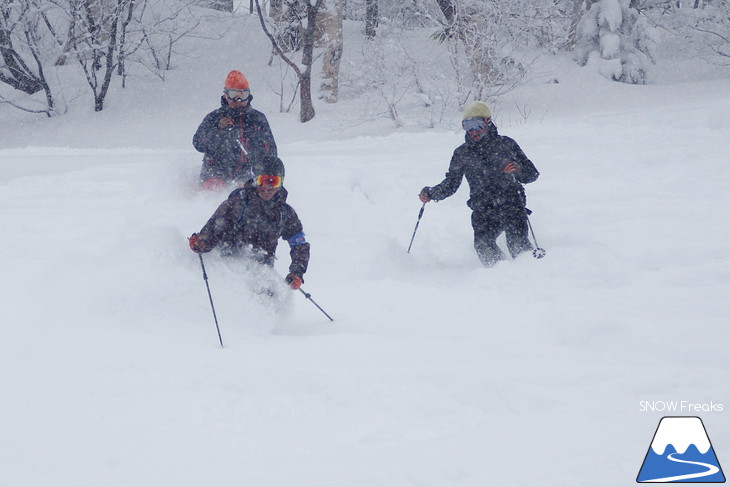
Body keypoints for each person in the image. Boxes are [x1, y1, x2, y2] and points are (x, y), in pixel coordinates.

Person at [418, 101, 540, 267]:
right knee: (483, 246)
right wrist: (431, 193)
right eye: (467, 125)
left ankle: (532, 273)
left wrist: (518, 169)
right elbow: (452, 183)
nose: (473, 130)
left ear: (487, 123)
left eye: (477, 124)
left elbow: (532, 174)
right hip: (483, 209)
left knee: (517, 244)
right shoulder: (462, 153)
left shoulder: (506, 145)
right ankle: (498, 277)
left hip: (511, 204)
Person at [188, 155, 309, 291]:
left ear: (281, 183)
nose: (268, 188)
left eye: (273, 182)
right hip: (229, 272)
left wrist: (297, 272)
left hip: (261, 277)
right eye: (263, 181)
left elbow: (299, 244)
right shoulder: (236, 204)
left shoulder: (285, 213)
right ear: (255, 179)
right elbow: (213, 230)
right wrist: (202, 243)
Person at [193, 70, 278, 190]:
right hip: (216, 174)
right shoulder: (214, 117)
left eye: (243, 95)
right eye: (234, 95)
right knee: (213, 192)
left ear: (249, 97)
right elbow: (198, 144)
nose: (238, 100)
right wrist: (219, 130)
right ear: (225, 96)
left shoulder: (258, 119)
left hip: (247, 174)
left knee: (252, 193)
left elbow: (271, 152)